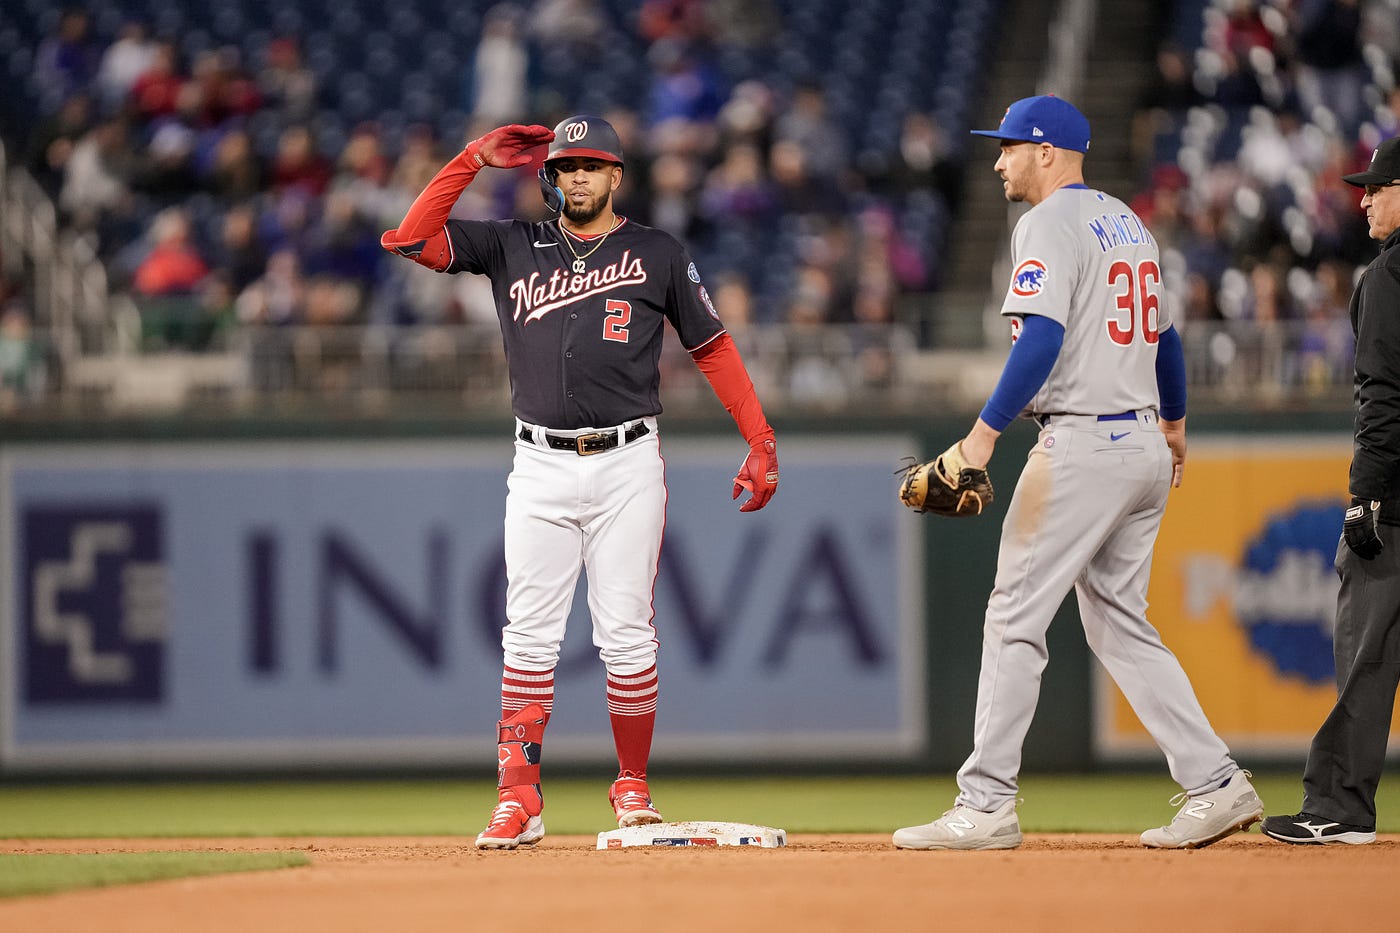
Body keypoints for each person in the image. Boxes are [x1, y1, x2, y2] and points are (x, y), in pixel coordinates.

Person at [380, 116, 779, 850]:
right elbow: (408, 237)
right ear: (551, 177)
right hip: (539, 460)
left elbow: (713, 346)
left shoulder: (655, 251)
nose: (579, 178)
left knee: (626, 629)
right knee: (527, 634)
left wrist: (759, 435)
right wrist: (472, 159)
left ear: (617, 176)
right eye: (566, 168)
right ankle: (518, 797)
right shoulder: (512, 242)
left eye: (592, 166)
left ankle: (631, 783)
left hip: (628, 458)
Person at [891, 96, 1263, 851]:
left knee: (1013, 616)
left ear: (1047, 151)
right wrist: (1176, 422)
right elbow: (1164, 339)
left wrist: (980, 437)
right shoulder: (1130, 222)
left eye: (1008, 148)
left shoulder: (1048, 223)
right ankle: (1217, 782)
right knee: (1119, 621)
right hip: (1144, 447)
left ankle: (986, 801)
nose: (998, 161)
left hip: (1084, 445)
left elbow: (1040, 342)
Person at [1261, 136, 1400, 846]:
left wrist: (1365, 494)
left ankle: (1339, 806)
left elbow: (1382, 394)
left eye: (1379, 186)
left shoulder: (1387, 276)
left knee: (1366, 658)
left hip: (1396, 507)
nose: (1364, 197)